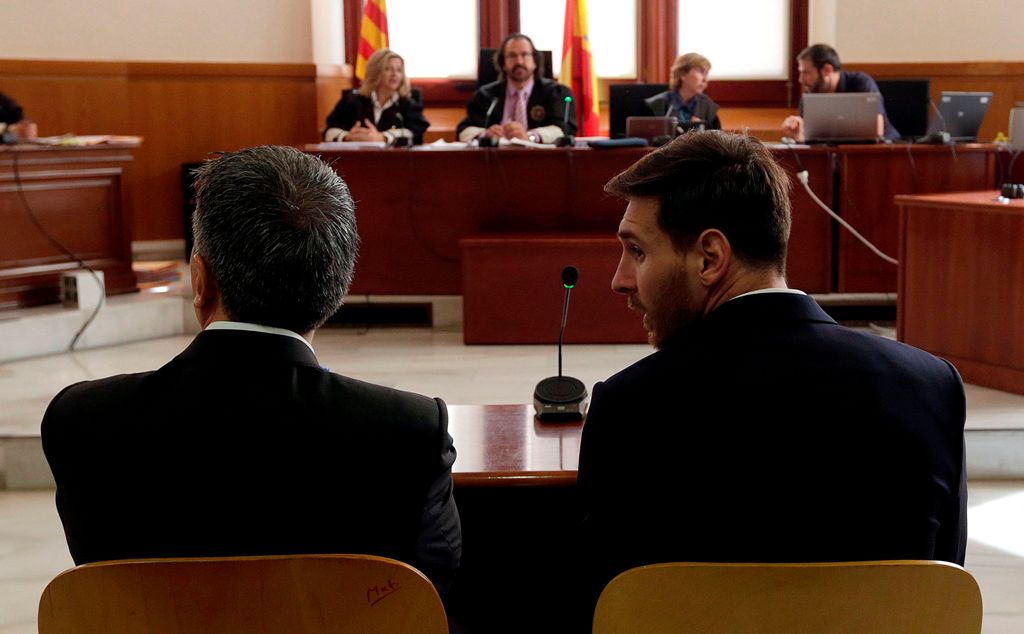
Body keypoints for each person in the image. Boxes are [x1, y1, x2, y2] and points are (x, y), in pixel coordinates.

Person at [41, 146, 461, 593]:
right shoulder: (406, 432)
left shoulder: (83, 421)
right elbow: (432, 590)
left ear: (199, 281)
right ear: (336, 288)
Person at [577, 131, 966, 609]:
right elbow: (941, 594)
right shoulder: (930, 386)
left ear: (710, 258)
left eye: (637, 251)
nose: (620, 280)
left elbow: (606, 609)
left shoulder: (631, 406)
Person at [457, 32, 577, 144]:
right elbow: (463, 131)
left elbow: (565, 129)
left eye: (524, 55)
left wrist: (530, 136)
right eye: (512, 56)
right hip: (495, 160)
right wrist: (485, 134)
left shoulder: (556, 93)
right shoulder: (486, 95)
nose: (519, 61)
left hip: (541, 160)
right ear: (503, 63)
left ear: (534, 61)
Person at [782, 43, 898, 141]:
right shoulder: (809, 96)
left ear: (827, 70)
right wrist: (798, 135)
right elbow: (809, 139)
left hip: (885, 150)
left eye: (806, 73)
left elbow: (877, 129)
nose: (801, 80)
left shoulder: (861, 83)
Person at [323, 48, 429, 145]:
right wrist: (347, 137)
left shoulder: (408, 103)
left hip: (396, 162)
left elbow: (415, 134)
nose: (394, 74)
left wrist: (383, 137)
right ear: (375, 71)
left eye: (399, 70)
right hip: (358, 160)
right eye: (388, 69)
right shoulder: (352, 101)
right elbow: (329, 132)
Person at [643, 52, 721, 130]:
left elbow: (717, 140)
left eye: (706, 74)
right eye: (701, 72)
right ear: (682, 74)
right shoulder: (655, 106)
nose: (705, 79)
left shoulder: (708, 107)